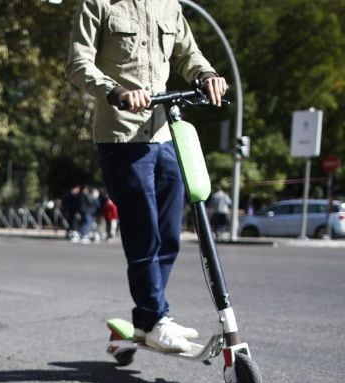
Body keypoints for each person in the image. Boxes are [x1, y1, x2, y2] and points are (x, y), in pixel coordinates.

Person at [67, 0, 228, 353]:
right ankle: (155, 318)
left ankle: (147, 319)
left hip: (165, 134)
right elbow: (78, 64)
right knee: (144, 235)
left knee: (169, 235)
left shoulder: (169, 5)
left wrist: (207, 75)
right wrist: (117, 91)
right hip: (121, 136)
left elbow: (189, 54)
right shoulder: (99, 4)